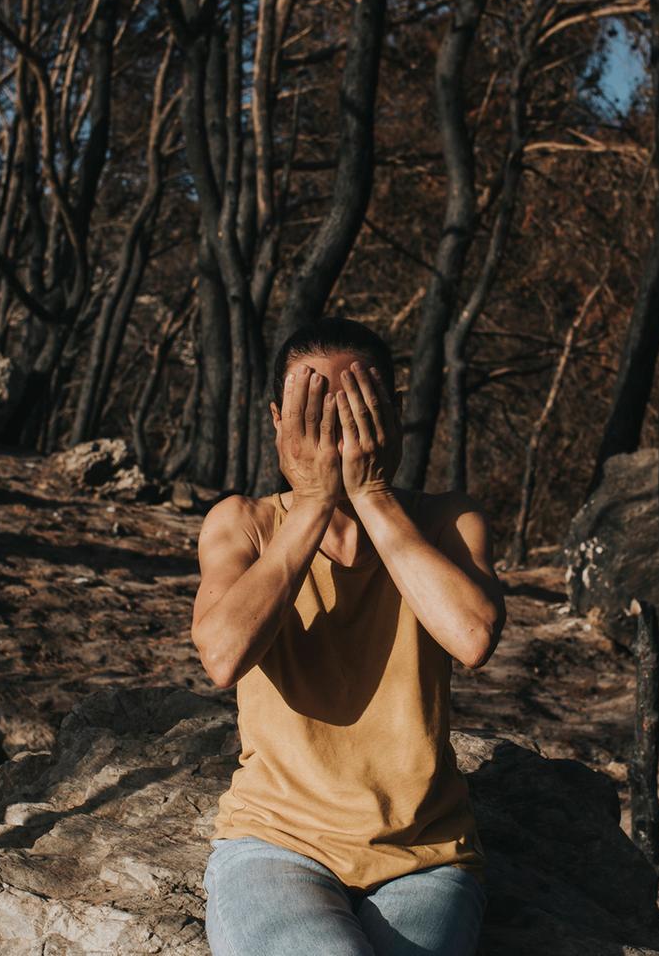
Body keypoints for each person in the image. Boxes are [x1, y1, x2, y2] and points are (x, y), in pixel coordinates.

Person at [192, 316, 506, 956]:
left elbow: (472, 638)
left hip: (425, 854)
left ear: (391, 413)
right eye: (313, 413)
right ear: (279, 420)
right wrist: (309, 503)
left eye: (354, 409)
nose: (335, 433)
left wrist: (373, 496)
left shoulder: (447, 519)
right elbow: (222, 656)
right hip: (276, 843)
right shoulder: (243, 523)